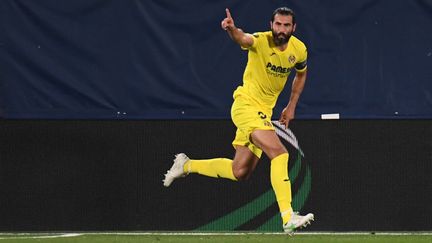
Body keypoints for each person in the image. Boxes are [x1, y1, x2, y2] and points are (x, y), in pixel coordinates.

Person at [163, 7, 313, 234]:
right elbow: (243, 38)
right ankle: (287, 216)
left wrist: (291, 106)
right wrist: (232, 30)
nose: (281, 29)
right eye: (278, 24)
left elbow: (301, 74)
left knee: (239, 171)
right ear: (271, 24)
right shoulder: (260, 41)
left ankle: (186, 164)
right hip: (245, 106)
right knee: (279, 153)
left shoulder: (299, 49)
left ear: (294, 28)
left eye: (286, 25)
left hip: (263, 112)